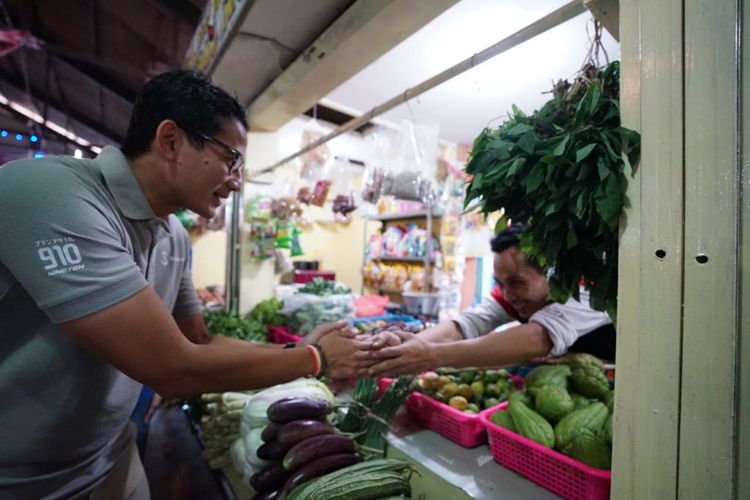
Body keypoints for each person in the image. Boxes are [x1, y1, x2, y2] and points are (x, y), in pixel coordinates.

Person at [0, 70, 362, 499]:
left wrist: (294, 350)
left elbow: (198, 341)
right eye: (231, 159)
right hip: (18, 478)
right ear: (170, 140)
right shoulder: (47, 192)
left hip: (111, 456)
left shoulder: (171, 234)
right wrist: (314, 359)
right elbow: (171, 368)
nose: (236, 181)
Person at [361, 224, 615, 377]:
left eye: (517, 282)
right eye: (500, 283)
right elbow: (466, 325)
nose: (507, 295)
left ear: (550, 274)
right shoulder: (510, 295)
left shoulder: (587, 293)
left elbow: (538, 337)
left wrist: (432, 356)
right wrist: (406, 348)